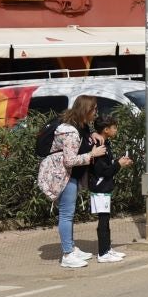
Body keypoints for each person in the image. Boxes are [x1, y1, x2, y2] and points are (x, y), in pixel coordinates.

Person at [51, 96, 108, 268]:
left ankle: (71, 248)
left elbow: (84, 141)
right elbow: (69, 160)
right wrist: (92, 155)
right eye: (94, 109)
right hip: (65, 176)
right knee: (66, 215)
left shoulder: (81, 126)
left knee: (69, 213)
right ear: (86, 110)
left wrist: (93, 134)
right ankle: (67, 254)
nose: (96, 112)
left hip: (73, 176)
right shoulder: (69, 131)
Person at [88, 110, 134, 262]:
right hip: (100, 187)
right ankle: (102, 253)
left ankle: (107, 248)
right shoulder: (99, 146)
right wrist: (118, 164)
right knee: (103, 219)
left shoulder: (105, 143)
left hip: (105, 186)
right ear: (106, 129)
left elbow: (108, 168)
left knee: (106, 218)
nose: (116, 130)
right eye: (114, 127)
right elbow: (103, 171)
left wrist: (120, 163)